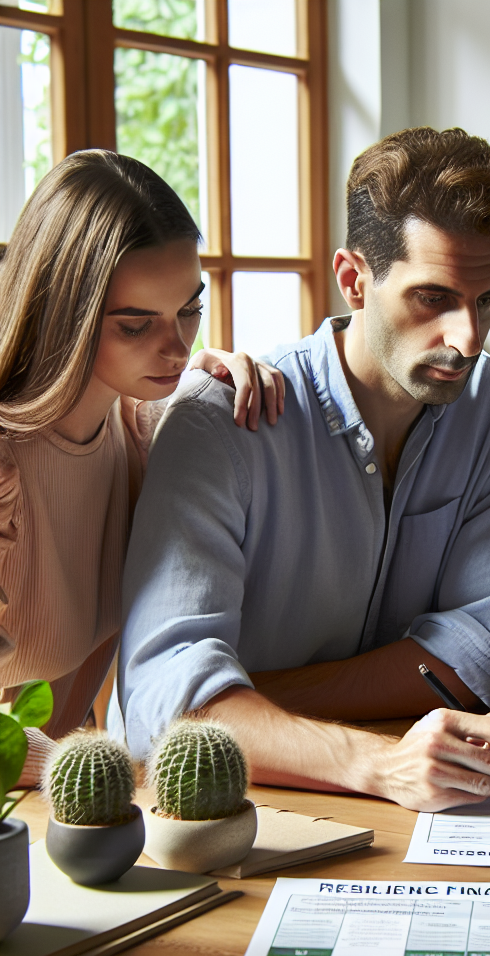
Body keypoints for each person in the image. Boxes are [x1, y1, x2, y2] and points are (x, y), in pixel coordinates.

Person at [113, 127, 490, 812]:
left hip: (405, 808)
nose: (468, 339)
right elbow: (165, 703)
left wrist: (242, 703)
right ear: (353, 279)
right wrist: (371, 760)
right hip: (219, 807)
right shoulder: (221, 421)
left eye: (487, 299)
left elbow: (473, 660)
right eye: (434, 298)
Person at [0, 150, 286, 784]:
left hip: (55, 798)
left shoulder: (140, 430)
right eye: (137, 324)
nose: (177, 347)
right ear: (60, 314)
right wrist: (97, 774)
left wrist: (215, 387)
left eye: (189, 309)